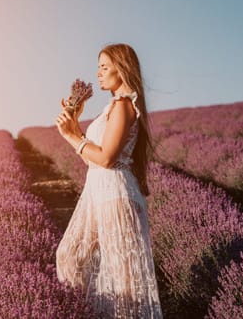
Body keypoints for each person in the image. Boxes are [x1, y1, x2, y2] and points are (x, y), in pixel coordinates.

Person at [55, 43, 163, 318]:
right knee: (69, 257)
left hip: (116, 195)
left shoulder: (125, 106)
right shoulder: (113, 107)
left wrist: (72, 136)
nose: (98, 73)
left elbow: (106, 159)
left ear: (122, 68)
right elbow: (95, 161)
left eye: (104, 66)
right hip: (99, 192)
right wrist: (75, 129)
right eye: (98, 67)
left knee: (126, 284)